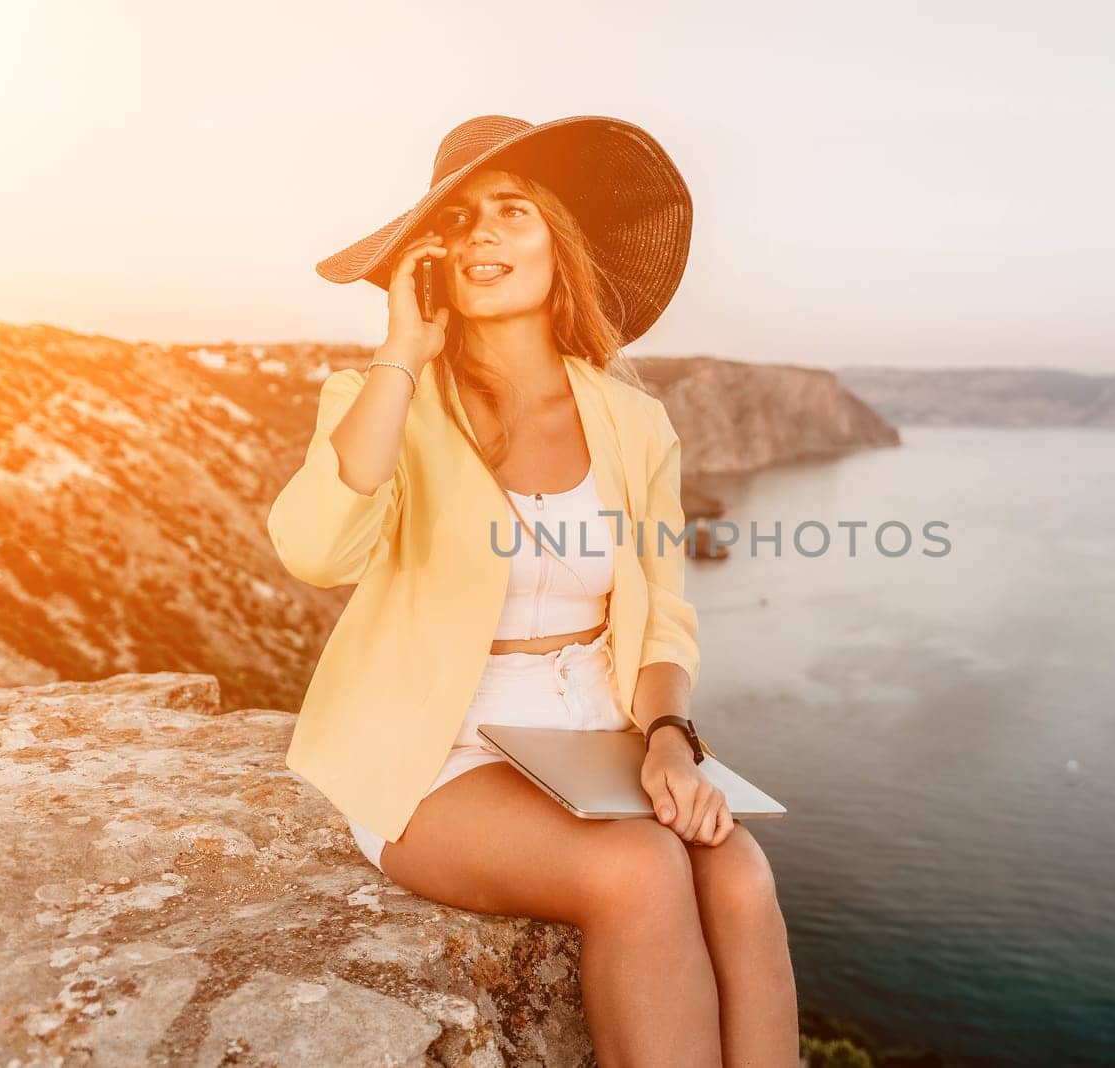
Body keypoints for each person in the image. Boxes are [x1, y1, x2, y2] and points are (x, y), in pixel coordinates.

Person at [267, 115, 798, 1065]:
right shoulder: (381, 400)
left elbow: (663, 614)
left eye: (511, 210)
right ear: (429, 258)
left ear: (561, 241)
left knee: (740, 876)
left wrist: (673, 741)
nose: (481, 233)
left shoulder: (633, 421)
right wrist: (402, 350)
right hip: (438, 748)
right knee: (638, 870)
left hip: (595, 732)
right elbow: (316, 550)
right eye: (459, 218)